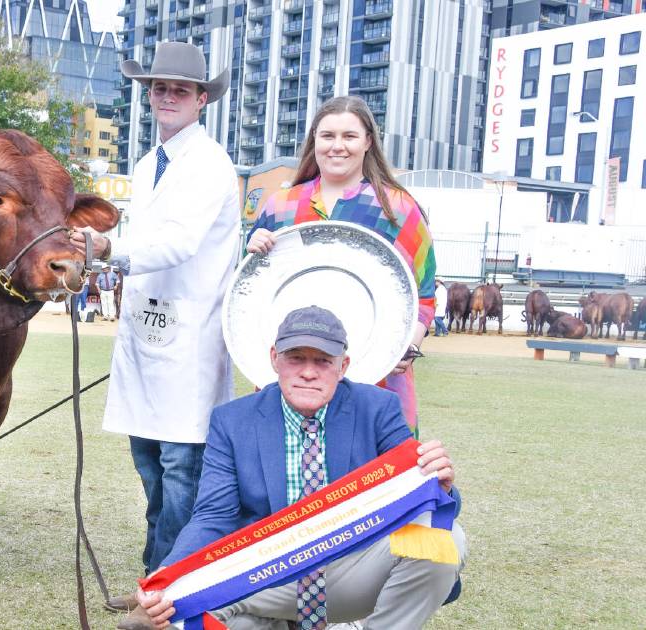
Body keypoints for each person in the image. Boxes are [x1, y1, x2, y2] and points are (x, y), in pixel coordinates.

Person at [134, 306, 465, 630]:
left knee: (445, 538)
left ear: (343, 365)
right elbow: (213, 516)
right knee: (180, 611)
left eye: (322, 361)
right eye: (296, 358)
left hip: (350, 569)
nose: (309, 372)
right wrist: (169, 574)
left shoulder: (378, 408)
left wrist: (442, 486)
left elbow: (421, 496)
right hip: (267, 575)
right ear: (275, 359)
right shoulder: (232, 421)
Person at [69, 42, 241, 626]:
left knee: (182, 470)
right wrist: (97, 257)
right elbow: (145, 245)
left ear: (201, 100)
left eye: (180, 89)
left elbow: (179, 243)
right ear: (150, 95)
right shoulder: (147, 166)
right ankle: (156, 578)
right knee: (149, 463)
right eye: (159, 88)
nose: (168, 96)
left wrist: (106, 248)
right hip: (146, 332)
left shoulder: (211, 164)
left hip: (192, 336)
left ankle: (170, 588)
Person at [245, 96, 436, 434]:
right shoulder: (281, 207)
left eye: (349, 136)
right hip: (294, 379)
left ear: (367, 143)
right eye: (327, 136)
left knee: (377, 478)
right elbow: (250, 295)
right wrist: (253, 251)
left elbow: (422, 294)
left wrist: (409, 345)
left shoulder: (398, 210)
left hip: (377, 378)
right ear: (314, 141)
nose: (337, 146)